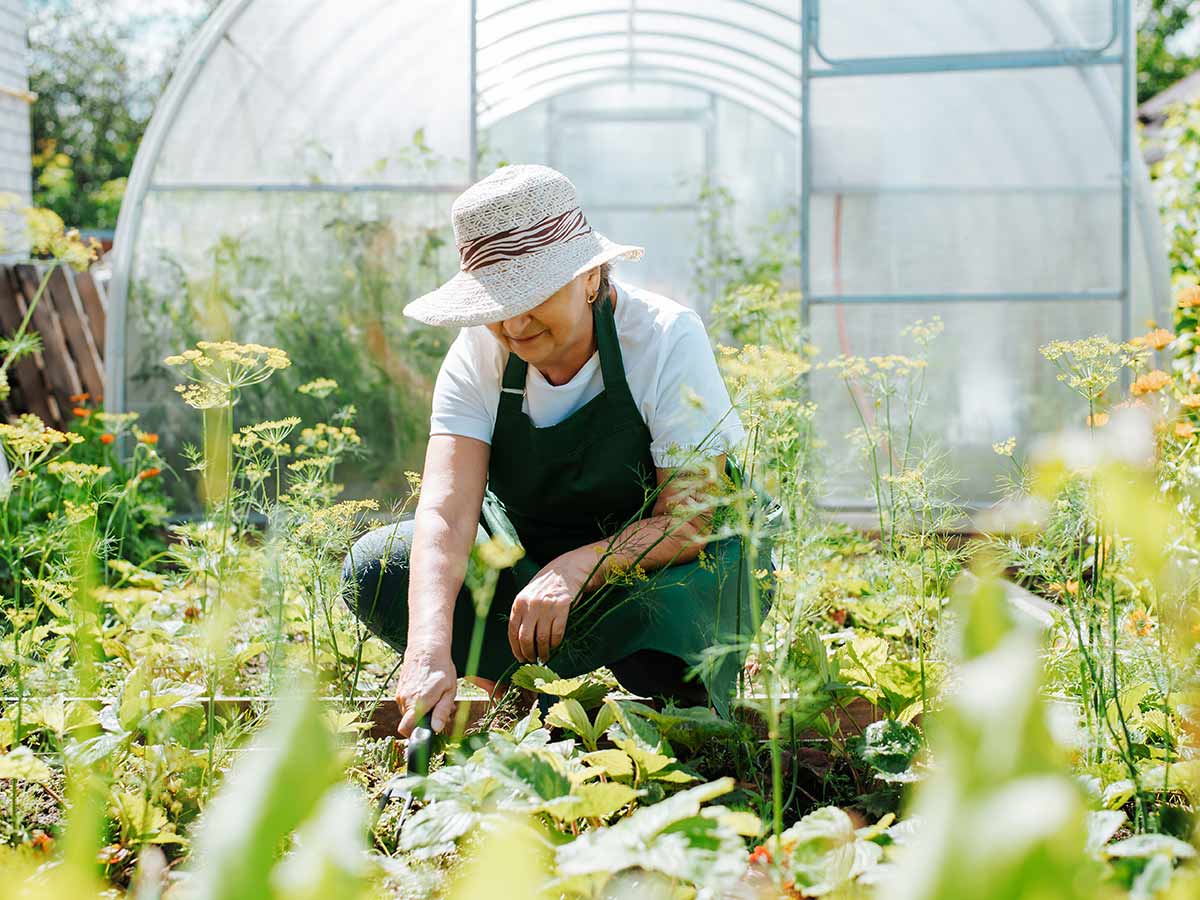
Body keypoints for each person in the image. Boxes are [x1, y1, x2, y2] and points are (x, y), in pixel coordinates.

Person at [341, 164, 772, 738]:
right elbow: (446, 511)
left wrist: (575, 568)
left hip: (654, 567)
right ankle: (501, 683)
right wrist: (426, 648)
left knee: (659, 644)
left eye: (532, 294)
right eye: (496, 302)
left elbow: (691, 520)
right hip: (528, 559)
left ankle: (559, 690)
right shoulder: (478, 353)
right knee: (377, 567)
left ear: (591, 277)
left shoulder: (665, 338)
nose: (513, 322)